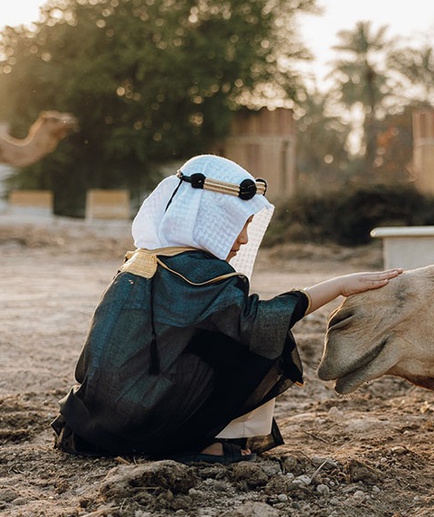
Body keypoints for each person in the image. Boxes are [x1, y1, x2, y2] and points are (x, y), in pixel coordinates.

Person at [51, 154, 402, 464]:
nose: (245, 239)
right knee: (263, 341)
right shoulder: (199, 271)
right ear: (211, 218)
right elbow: (260, 323)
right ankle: (214, 442)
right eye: (240, 225)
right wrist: (339, 286)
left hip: (91, 419)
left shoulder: (146, 260)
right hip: (137, 424)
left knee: (232, 332)